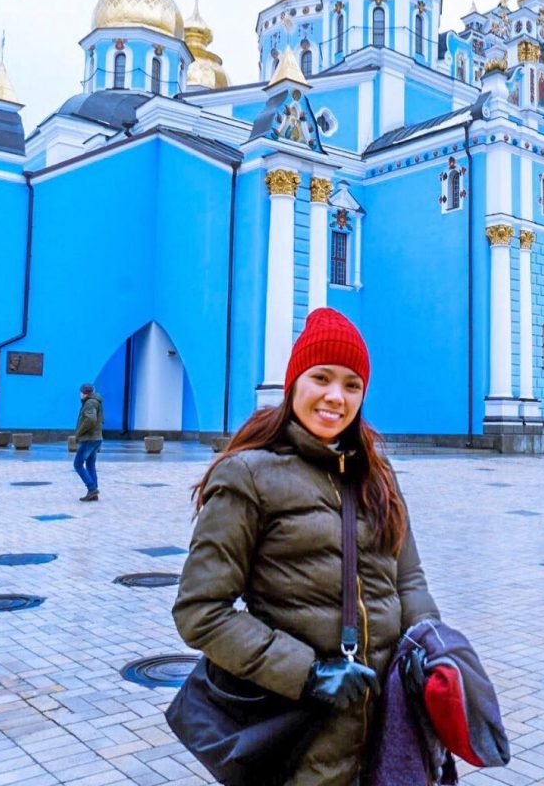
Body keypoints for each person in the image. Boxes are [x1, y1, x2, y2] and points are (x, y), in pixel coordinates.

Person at [172, 308, 441, 786]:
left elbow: (408, 579)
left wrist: (432, 647)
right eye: (321, 377)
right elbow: (201, 611)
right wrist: (308, 673)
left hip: (384, 733)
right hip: (299, 735)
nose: (336, 396)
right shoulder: (248, 476)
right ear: (294, 382)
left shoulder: (377, 476)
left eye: (352, 384)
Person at [74, 382, 104, 501]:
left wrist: (79, 432)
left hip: (89, 439)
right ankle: (93, 493)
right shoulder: (96, 402)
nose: (80, 394)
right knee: (90, 465)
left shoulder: (90, 403)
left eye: (81, 392)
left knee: (77, 464)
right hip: (96, 438)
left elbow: (91, 420)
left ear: (84, 393)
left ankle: (91, 488)